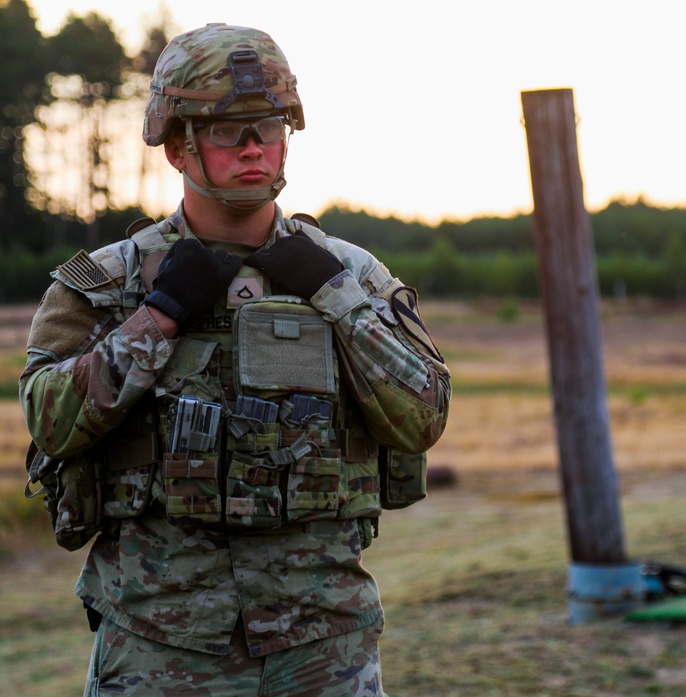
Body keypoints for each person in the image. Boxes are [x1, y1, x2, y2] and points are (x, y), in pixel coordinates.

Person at [19, 23, 450, 697]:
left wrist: (334, 295)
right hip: (162, 642)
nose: (254, 148)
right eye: (228, 131)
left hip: (321, 640)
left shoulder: (353, 275)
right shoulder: (107, 285)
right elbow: (49, 422)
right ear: (176, 145)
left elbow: (423, 414)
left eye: (269, 127)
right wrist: (158, 316)